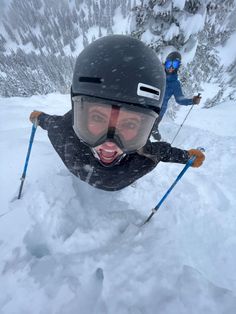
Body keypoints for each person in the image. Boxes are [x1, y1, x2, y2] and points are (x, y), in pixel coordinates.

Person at [30, 35, 205, 192]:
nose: (109, 145)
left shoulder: (142, 154)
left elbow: (163, 151)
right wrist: (40, 118)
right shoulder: (66, 133)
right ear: (79, 115)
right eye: (98, 117)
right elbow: (52, 123)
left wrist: (186, 157)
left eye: (129, 124)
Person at [151, 51, 201, 141]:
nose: (171, 67)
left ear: (178, 66)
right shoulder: (156, 74)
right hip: (149, 105)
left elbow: (180, 99)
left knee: (153, 126)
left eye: (175, 65)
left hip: (160, 110)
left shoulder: (175, 83)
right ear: (165, 63)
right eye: (169, 63)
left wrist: (192, 101)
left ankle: (154, 129)